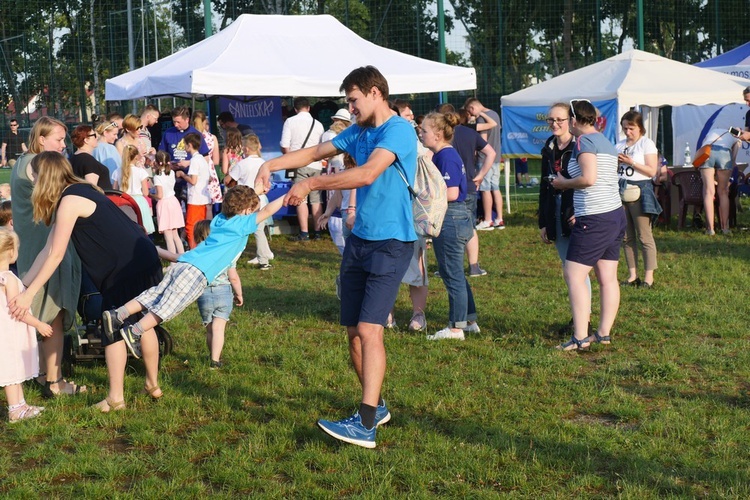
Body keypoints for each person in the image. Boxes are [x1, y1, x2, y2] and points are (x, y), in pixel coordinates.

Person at [256, 65, 417, 449]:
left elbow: (366, 174)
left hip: (391, 241)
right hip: (359, 240)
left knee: (369, 330)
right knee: (353, 335)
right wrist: (269, 164)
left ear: (375, 93)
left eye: (353, 100)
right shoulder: (358, 131)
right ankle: (375, 407)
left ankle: (364, 424)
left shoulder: (397, 130)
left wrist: (311, 182)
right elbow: (314, 152)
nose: (350, 107)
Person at [8, 151, 167, 412]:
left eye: (35, 176)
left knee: (111, 327)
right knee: (143, 322)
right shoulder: (82, 188)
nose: (33, 182)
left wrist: (28, 295)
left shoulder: (69, 202)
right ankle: (152, 384)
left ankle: (116, 399)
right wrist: (23, 283)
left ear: (46, 177)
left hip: (122, 269)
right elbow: (48, 249)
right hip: (142, 258)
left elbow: (56, 254)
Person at [102, 186, 283, 360]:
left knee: (155, 295)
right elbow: (266, 211)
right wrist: (289, 194)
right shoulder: (241, 224)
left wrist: (254, 193)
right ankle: (134, 332)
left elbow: (239, 203)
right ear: (246, 210)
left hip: (183, 264)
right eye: (252, 210)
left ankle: (119, 313)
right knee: (167, 307)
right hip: (197, 273)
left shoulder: (220, 219)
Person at [10, 116, 85, 398]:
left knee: (41, 312)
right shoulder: (37, 165)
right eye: (58, 139)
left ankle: (43, 374)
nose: (63, 145)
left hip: (33, 249)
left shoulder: (21, 162)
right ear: (41, 139)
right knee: (55, 311)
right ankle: (55, 381)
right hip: (49, 249)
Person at [550, 99, 625, 351]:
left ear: (573, 120)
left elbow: (589, 179)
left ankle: (580, 338)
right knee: (607, 277)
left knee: (573, 274)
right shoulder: (606, 141)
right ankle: (603, 334)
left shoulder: (583, 141)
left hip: (595, 217)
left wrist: (563, 183)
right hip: (614, 214)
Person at [419, 111, 480, 341]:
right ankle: (469, 320)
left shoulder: (446, 156)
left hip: (450, 219)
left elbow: (452, 192)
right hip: (456, 218)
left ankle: (456, 328)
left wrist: (425, 198)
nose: (421, 133)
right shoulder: (442, 155)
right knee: (455, 273)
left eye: (424, 130)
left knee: (452, 274)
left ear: (437, 134)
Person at [539, 103, 591, 335]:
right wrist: (542, 221)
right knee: (567, 265)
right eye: (551, 120)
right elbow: (543, 185)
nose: (555, 124)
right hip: (555, 209)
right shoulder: (548, 146)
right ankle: (578, 318)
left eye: (560, 119)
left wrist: (576, 211)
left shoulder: (579, 146)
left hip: (576, 209)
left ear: (570, 120)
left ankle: (584, 321)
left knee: (578, 269)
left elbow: (587, 181)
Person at [0, 229, 49, 422]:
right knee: (12, 370)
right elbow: (17, 310)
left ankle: (21, 404)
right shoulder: (9, 278)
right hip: (10, 333)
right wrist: (38, 324)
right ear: (11, 252)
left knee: (15, 370)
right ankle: (15, 409)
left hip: (7, 331)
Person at [442, 103, 496, 278]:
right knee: (470, 226)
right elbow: (491, 153)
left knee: (446, 227)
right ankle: (474, 266)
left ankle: (449, 267)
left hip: (446, 187)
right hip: (469, 186)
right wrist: (480, 175)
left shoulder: (441, 136)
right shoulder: (470, 132)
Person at [616, 110, 661, 287]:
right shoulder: (619, 145)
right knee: (626, 237)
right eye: (625, 128)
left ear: (640, 127)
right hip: (621, 190)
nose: (628, 132)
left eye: (631, 128)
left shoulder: (646, 144)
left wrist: (631, 162)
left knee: (644, 236)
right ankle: (632, 275)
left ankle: (649, 277)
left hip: (640, 190)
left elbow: (651, 171)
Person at [193, 220, 243, 369]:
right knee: (218, 329)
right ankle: (215, 360)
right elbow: (233, 276)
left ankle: (213, 356)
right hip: (223, 293)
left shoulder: (197, 253)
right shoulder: (226, 252)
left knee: (210, 329)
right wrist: (239, 293)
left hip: (204, 294)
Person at [225, 135, 274, 270]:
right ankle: (264, 258)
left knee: (238, 228)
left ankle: (231, 256)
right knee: (259, 230)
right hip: (261, 200)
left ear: (245, 149)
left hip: (245, 201)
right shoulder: (264, 163)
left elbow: (228, 179)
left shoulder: (242, 164)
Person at [280, 97, 325, 241]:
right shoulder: (318, 124)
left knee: (300, 199)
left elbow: (285, 145)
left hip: (298, 164)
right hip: (316, 164)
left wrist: (290, 160)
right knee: (316, 199)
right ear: (309, 107)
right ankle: (318, 232)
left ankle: (304, 232)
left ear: (295, 108)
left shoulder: (290, 122)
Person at [465, 97, 504, 230]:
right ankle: (499, 218)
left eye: (470, 113)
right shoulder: (495, 114)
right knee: (496, 188)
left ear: (472, 108)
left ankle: (488, 220)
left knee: (485, 189)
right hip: (497, 156)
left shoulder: (481, 119)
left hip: (485, 158)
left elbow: (483, 141)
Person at [158, 106, 210, 204]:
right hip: (172, 178)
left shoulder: (196, 134)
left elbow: (206, 158)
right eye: (174, 122)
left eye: (178, 122)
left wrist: (189, 163)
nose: (176, 125)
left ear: (187, 120)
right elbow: (161, 154)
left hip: (191, 180)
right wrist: (169, 164)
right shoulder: (168, 133)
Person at [699, 127, 740, 235]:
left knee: (708, 192)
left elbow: (703, 145)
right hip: (724, 153)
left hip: (707, 152)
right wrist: (733, 161)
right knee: (723, 192)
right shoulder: (734, 134)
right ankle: (725, 228)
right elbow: (736, 148)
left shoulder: (711, 132)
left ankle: (710, 229)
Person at [174, 133, 210, 248]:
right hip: (204, 198)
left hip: (195, 199)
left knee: (191, 228)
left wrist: (182, 175)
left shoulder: (194, 160)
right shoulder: (202, 159)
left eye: (185, 144)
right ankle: (201, 249)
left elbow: (193, 181)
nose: (184, 147)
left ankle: (193, 252)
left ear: (189, 145)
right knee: (201, 227)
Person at [112, 145, 156, 235]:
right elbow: (145, 192)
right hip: (139, 202)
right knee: (142, 230)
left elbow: (114, 191)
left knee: (126, 231)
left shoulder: (117, 171)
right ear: (136, 157)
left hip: (124, 201)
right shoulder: (141, 172)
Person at [152, 151, 185, 255]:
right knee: (175, 234)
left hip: (164, 204)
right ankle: (182, 256)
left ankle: (173, 261)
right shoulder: (171, 172)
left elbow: (160, 195)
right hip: (173, 201)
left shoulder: (157, 177)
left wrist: (150, 195)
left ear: (157, 162)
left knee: (168, 236)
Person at [192, 110, 223, 212]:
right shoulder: (212, 138)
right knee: (211, 204)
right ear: (205, 121)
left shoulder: (190, 137)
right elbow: (216, 161)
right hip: (209, 170)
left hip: (194, 170)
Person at [69, 125, 113, 190]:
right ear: (86, 140)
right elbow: (91, 189)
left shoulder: (72, 158)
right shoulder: (88, 161)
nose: (97, 138)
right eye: (94, 135)